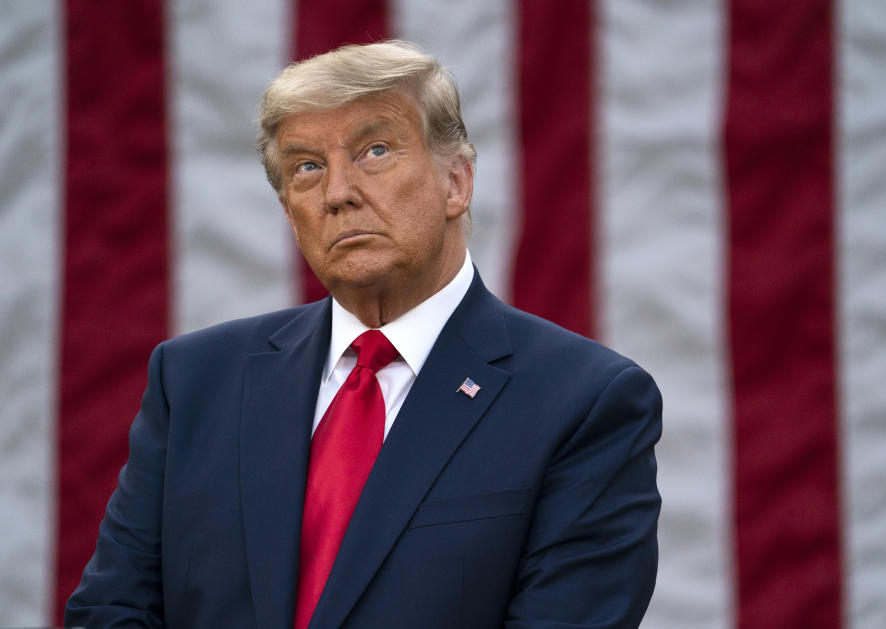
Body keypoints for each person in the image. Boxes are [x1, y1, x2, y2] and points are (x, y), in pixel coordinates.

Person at [64, 40, 662, 629]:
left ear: (456, 182)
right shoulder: (193, 380)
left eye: (375, 151)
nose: (338, 193)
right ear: (288, 209)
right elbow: (111, 612)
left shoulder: (585, 402)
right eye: (307, 167)